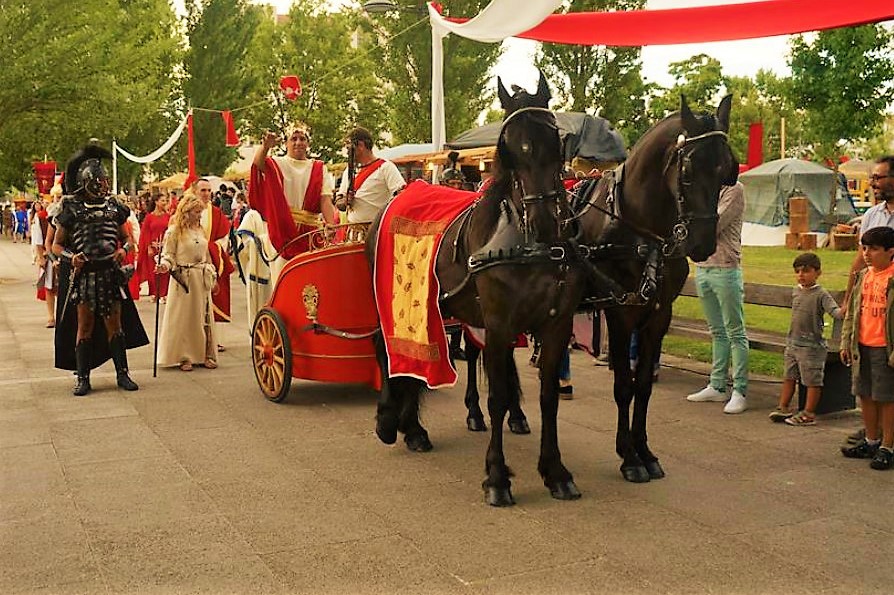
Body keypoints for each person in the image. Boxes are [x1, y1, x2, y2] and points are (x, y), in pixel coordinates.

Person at [51, 144, 147, 396]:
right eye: (100, 181)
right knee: (85, 326)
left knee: (115, 325)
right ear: (88, 182)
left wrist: (124, 251)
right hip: (85, 276)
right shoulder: (70, 207)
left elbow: (127, 239)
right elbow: (56, 245)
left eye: (106, 180)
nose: (105, 185)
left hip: (110, 273)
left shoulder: (114, 207)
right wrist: (72, 258)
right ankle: (83, 378)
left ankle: (122, 374)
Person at [841, 156, 894, 444]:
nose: (873, 183)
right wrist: (850, 297)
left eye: (879, 178)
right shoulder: (872, 214)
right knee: (871, 378)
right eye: (873, 178)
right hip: (871, 306)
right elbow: (860, 260)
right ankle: (875, 431)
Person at [686, 182, 749, 414]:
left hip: (725, 267)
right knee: (717, 331)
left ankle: (740, 390)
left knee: (735, 331)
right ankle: (717, 384)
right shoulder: (705, 190)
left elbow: (713, 224)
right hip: (703, 266)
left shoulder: (734, 190)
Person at [839, 226, 894, 469]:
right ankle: (871, 440)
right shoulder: (864, 276)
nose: (867, 253)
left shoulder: (891, 278)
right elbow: (852, 311)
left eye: (873, 248)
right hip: (862, 345)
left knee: (887, 397)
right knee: (865, 393)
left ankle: (887, 446)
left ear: (890, 252)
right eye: (864, 248)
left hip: (885, 348)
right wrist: (846, 341)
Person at [768, 253, 843, 425]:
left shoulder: (821, 294)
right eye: (797, 271)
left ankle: (809, 413)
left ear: (818, 272)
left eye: (806, 271)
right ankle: (783, 407)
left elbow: (835, 312)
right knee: (789, 376)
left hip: (811, 346)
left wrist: (846, 309)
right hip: (793, 342)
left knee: (811, 380)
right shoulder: (796, 291)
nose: (801, 275)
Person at [250, 126, 337, 258]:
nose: (298, 143)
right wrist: (265, 147)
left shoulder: (319, 167)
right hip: (282, 230)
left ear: (308, 143)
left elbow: (325, 199)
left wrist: (330, 223)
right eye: (293, 139)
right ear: (286, 143)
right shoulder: (277, 163)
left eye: (302, 139)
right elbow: (258, 164)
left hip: (310, 233)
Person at [155, 193, 219, 371]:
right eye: (196, 212)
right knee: (184, 319)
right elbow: (169, 255)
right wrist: (163, 266)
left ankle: (205, 354)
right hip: (183, 278)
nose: (199, 215)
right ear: (187, 211)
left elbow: (206, 255)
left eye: (200, 212)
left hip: (201, 277)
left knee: (203, 317)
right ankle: (185, 356)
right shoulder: (174, 232)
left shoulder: (200, 230)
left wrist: (212, 276)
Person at [335, 126, 405, 224]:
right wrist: (345, 201)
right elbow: (339, 201)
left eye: (349, 148)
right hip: (353, 231)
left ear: (360, 145)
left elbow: (401, 196)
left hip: (376, 231)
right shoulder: (349, 171)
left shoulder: (386, 168)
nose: (347, 153)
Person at [193, 179, 234, 338]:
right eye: (203, 190)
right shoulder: (187, 212)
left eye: (209, 190)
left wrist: (210, 250)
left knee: (213, 300)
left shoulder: (216, 212)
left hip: (211, 260)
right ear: (195, 191)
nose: (207, 193)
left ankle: (213, 339)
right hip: (193, 262)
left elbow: (223, 238)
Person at [136, 194, 171, 303]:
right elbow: (145, 233)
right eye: (162, 201)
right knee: (153, 272)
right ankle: (155, 293)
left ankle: (164, 294)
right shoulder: (149, 217)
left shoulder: (168, 217)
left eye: (166, 201)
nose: (165, 203)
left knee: (164, 271)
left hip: (165, 247)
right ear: (156, 202)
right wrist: (148, 247)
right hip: (153, 247)